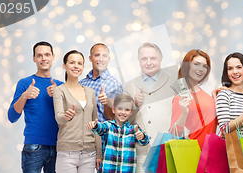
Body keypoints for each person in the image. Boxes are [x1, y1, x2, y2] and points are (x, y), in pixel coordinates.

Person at [8, 41, 63, 173]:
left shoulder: (61, 86)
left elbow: (70, 117)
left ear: (53, 57)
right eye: (39, 55)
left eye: (47, 54)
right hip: (34, 147)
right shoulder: (25, 83)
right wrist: (25, 96)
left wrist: (59, 95)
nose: (44, 58)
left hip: (59, 146)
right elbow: (12, 117)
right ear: (34, 58)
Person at [123, 42, 175, 173]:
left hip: (167, 151)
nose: (149, 62)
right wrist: (135, 106)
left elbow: (185, 114)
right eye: (144, 59)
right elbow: (122, 121)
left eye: (153, 58)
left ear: (161, 59)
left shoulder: (175, 83)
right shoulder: (129, 86)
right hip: (141, 153)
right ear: (139, 61)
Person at [53, 50, 101, 172]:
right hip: (66, 153)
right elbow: (58, 117)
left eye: (79, 63)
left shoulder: (90, 92)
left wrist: (99, 153)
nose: (76, 66)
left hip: (89, 154)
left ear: (83, 67)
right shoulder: (59, 91)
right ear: (64, 65)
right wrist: (66, 116)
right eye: (72, 62)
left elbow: (96, 124)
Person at [79, 43, 123, 169]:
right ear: (90, 58)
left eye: (104, 56)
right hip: (83, 141)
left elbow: (116, 118)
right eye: (97, 55)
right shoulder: (82, 83)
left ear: (109, 59)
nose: (100, 59)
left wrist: (107, 103)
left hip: (105, 142)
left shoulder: (114, 85)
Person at [86, 94, 150, 173]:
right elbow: (100, 128)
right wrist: (95, 125)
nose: (123, 112)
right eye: (120, 108)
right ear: (113, 110)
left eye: (127, 109)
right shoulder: (109, 126)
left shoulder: (134, 129)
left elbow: (145, 141)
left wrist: (142, 136)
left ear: (131, 112)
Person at [170, 49, 217, 149]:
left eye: (205, 66)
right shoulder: (180, 98)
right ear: (188, 66)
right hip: (191, 154)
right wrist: (184, 113)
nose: (201, 69)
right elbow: (173, 135)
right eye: (196, 64)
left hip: (211, 154)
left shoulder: (210, 98)